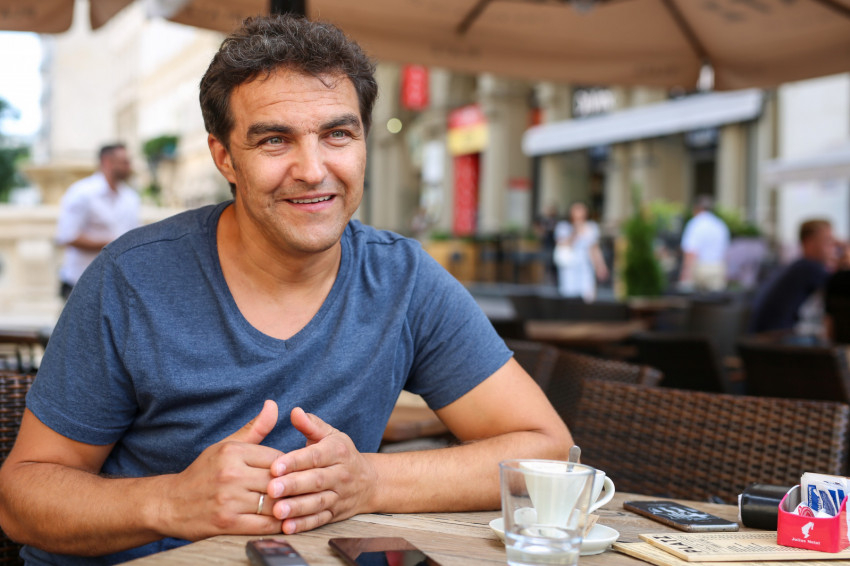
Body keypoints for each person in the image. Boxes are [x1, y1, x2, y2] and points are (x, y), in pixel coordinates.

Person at [0, 15, 569, 566]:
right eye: (275, 140)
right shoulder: (132, 278)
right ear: (225, 157)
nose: (313, 169)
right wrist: (171, 501)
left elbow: (546, 450)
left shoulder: (402, 279)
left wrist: (367, 480)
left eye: (338, 134)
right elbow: (21, 499)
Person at [55, 143, 140, 299]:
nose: (129, 166)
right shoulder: (82, 192)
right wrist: (113, 245)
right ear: (107, 162)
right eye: (125, 162)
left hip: (117, 283)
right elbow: (67, 236)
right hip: (81, 282)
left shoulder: (130, 197)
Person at [749, 219, 838, 334]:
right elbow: (841, 288)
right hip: (772, 338)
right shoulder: (809, 267)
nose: (833, 247)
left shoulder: (798, 266)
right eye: (827, 241)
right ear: (809, 242)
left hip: (762, 334)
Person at [553, 201, 608, 301]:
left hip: (585, 266)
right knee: (569, 295)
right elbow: (562, 244)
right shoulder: (563, 226)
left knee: (588, 294)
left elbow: (594, 249)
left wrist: (600, 266)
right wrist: (575, 231)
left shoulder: (592, 227)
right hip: (569, 265)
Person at [678, 195, 730, 292]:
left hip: (700, 267)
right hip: (717, 267)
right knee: (715, 298)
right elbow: (725, 251)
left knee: (696, 298)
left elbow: (691, 251)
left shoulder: (695, 223)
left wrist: (685, 274)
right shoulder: (720, 224)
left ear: (696, 208)